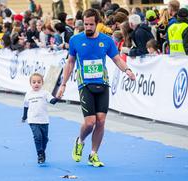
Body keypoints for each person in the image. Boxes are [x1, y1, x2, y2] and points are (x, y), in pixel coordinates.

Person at [56, 8, 135, 167]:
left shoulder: (107, 41)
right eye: (86, 24)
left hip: (102, 84)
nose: (88, 27)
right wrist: (63, 84)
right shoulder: (75, 40)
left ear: (97, 24)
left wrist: (127, 70)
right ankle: (80, 141)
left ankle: (93, 154)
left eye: (91, 24)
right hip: (85, 84)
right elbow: (70, 62)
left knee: (101, 121)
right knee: (90, 122)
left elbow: (117, 59)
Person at [22, 73, 59, 164]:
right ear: (30, 83)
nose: (36, 84)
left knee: (45, 139)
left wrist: (58, 97)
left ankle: (42, 151)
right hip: (33, 120)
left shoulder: (45, 93)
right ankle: (40, 154)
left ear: (42, 83)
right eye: (34, 82)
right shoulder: (28, 94)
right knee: (37, 137)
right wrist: (24, 116)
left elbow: (52, 101)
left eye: (39, 82)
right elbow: (26, 106)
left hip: (44, 120)